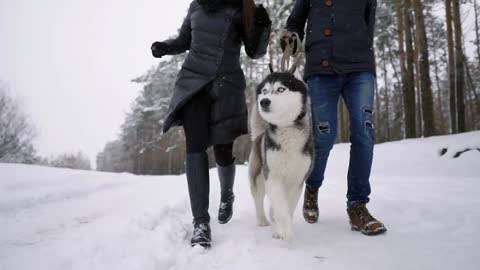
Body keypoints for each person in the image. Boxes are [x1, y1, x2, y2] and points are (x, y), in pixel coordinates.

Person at [151, 0, 271, 248]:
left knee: (223, 150)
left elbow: (254, 52)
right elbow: (184, 40)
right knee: (195, 147)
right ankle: (201, 223)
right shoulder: (196, 5)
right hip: (194, 83)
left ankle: (227, 194)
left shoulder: (242, 7)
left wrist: (262, 26)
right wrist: (165, 46)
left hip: (226, 87)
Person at [283, 0, 387, 235]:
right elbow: (295, 22)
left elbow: (367, 23)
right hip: (322, 69)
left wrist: (359, 48)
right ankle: (313, 186)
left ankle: (357, 206)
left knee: (364, 133)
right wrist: (290, 36)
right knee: (324, 138)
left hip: (359, 67)